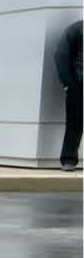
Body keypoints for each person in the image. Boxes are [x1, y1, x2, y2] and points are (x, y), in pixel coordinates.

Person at [57, 19, 83, 171]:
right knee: (75, 124)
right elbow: (61, 56)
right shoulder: (76, 29)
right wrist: (69, 84)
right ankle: (69, 160)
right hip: (78, 86)